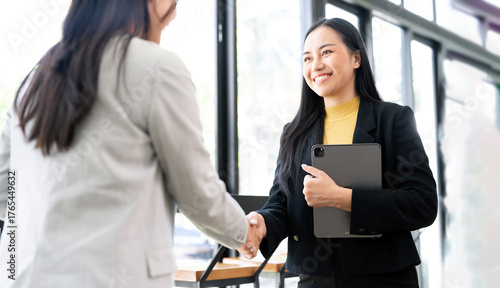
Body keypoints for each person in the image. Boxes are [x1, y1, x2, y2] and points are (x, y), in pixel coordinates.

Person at [0, 0, 260, 287]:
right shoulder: (156, 67)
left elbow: (5, 188)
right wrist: (244, 233)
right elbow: (195, 190)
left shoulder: (33, 80)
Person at [241, 18, 438, 288]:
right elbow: (282, 203)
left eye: (326, 52)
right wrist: (263, 222)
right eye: (307, 58)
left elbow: (422, 204)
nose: (316, 65)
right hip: (315, 279)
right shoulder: (294, 134)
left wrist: (343, 198)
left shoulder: (393, 120)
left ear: (356, 58)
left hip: (384, 279)